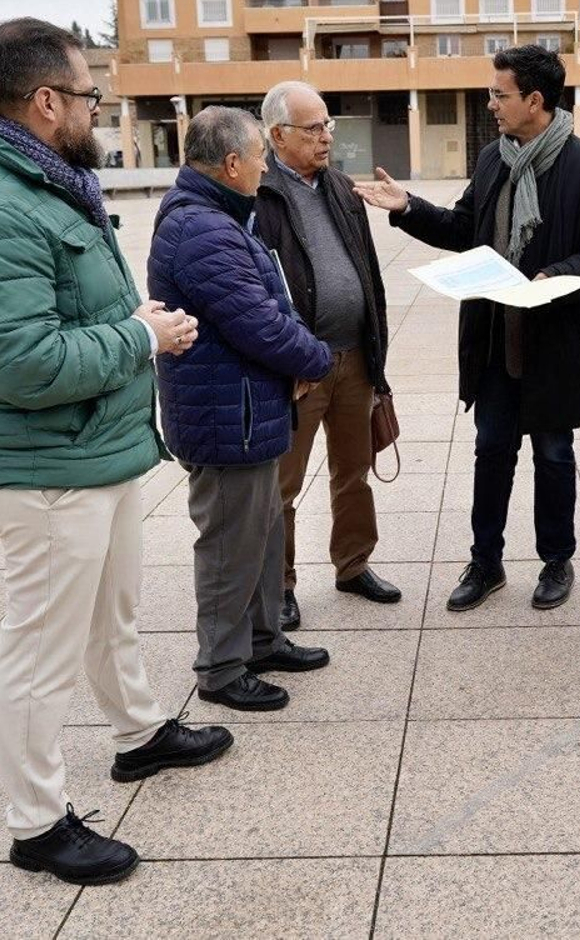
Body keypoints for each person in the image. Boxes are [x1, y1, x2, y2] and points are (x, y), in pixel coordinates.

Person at [0, 18, 231, 886]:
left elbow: (69, 320)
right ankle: (35, 824)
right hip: (45, 470)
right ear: (47, 102)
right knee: (39, 654)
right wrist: (140, 336)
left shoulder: (51, 185)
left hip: (96, 454)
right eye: (90, 94)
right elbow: (22, 366)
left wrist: (138, 332)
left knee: (112, 615)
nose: (99, 107)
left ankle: (138, 735)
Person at [355, 44, 580, 611]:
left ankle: (556, 561)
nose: (492, 104)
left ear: (535, 99)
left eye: (500, 95)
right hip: (493, 340)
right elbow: (464, 228)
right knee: (491, 451)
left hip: (555, 341)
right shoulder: (493, 159)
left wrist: (557, 272)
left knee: (554, 453)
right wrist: (407, 206)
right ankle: (486, 563)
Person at [149, 107, 336, 713]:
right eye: (259, 156)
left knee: (263, 531)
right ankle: (222, 668)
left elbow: (268, 302)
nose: (264, 166)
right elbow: (257, 323)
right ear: (232, 164)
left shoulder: (223, 216)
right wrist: (316, 359)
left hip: (248, 411)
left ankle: (261, 641)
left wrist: (299, 353)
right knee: (231, 545)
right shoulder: (203, 229)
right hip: (228, 418)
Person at [254, 82, 398, 632]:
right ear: (277, 136)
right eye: (313, 129)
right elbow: (260, 291)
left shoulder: (340, 187)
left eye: (327, 126)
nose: (325, 138)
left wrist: (377, 355)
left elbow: (367, 275)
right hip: (298, 366)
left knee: (354, 471)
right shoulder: (260, 195)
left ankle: (354, 564)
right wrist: (287, 356)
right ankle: (281, 583)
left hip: (355, 357)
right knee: (282, 485)